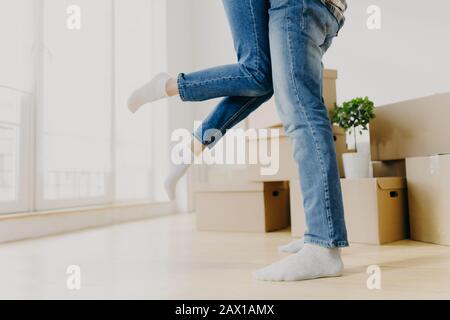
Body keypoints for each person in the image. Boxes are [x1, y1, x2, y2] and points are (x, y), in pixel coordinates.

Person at [128, 0, 349, 282]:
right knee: (261, 79)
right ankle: (319, 236)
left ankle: (322, 243)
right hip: (327, 9)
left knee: (286, 101)